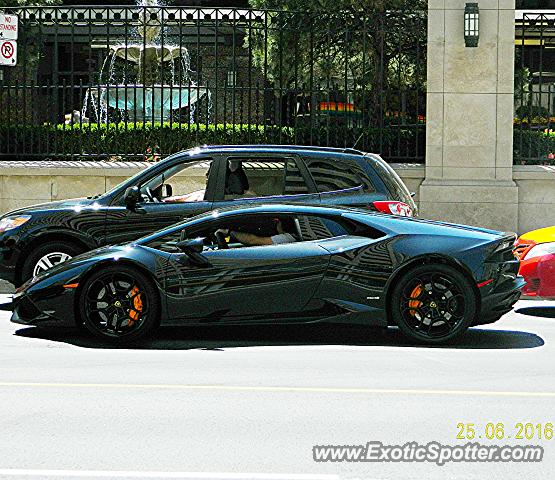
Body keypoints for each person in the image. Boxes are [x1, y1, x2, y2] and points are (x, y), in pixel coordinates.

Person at [217, 219, 296, 247]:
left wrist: (229, 232)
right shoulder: (293, 235)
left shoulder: (288, 238)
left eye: (278, 222)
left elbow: (253, 241)